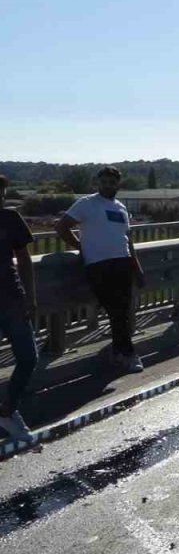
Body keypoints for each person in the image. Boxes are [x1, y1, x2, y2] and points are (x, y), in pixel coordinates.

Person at [56, 167, 147, 374]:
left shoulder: (121, 208)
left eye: (112, 182)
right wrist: (81, 246)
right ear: (98, 183)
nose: (108, 186)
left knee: (122, 311)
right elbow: (62, 227)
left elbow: (127, 240)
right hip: (98, 265)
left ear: (118, 185)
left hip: (122, 263)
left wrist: (137, 269)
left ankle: (119, 352)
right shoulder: (87, 203)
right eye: (104, 182)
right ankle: (129, 354)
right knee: (116, 310)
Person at [0, 174, 38, 443]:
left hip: (12, 297)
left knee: (28, 357)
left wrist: (31, 297)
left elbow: (24, 259)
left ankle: (7, 411)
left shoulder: (11, 217)